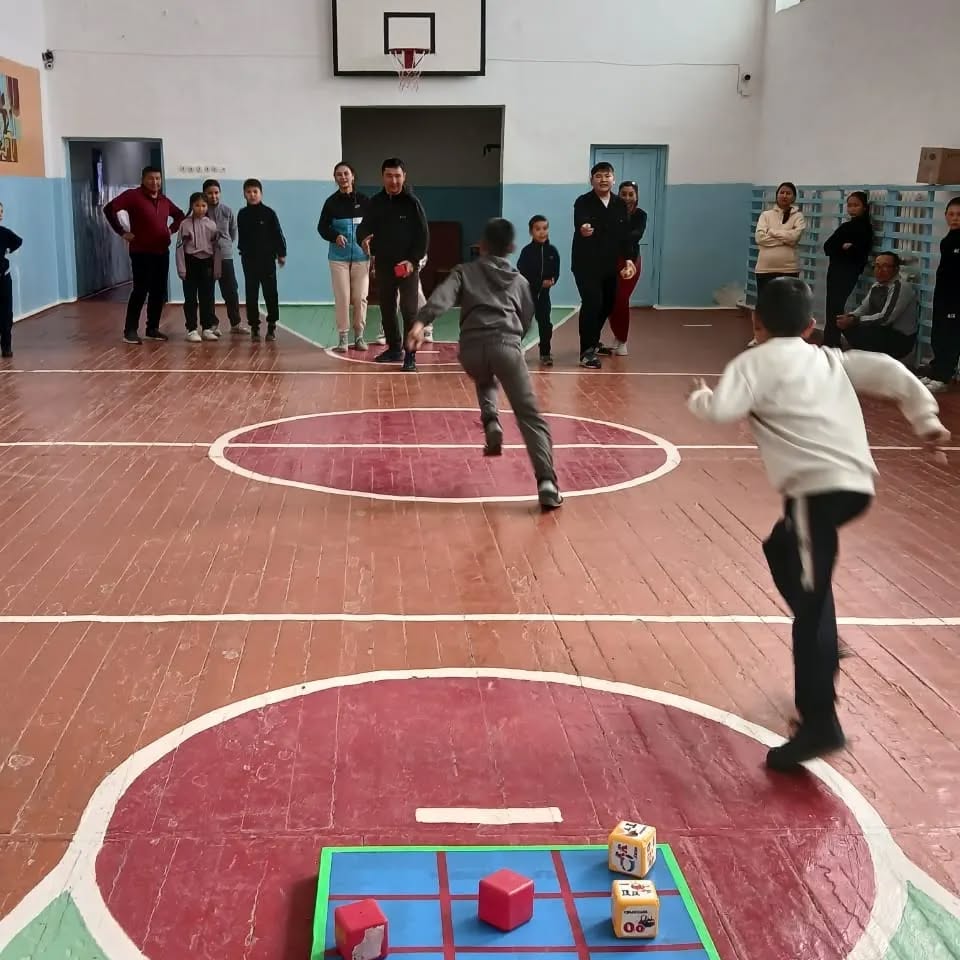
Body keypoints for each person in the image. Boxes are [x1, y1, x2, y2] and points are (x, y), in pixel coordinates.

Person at [687, 277, 949, 771]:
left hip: (814, 492)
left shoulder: (751, 363)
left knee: (811, 608)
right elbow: (892, 372)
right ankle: (824, 644)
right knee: (781, 549)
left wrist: (700, 397)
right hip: (853, 486)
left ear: (756, 321)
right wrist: (926, 419)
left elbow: (721, 410)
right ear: (811, 326)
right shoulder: (829, 358)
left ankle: (820, 722)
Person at [407, 218, 562, 511]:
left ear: (482, 245)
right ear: (511, 247)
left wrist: (420, 322)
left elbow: (442, 297)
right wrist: (513, 341)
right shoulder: (519, 281)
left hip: (472, 350)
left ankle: (491, 419)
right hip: (506, 346)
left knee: (485, 375)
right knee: (530, 416)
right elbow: (527, 318)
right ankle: (547, 483)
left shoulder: (464, 271)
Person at [356, 157, 429, 372]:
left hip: (407, 266)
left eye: (397, 176)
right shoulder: (375, 202)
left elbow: (423, 235)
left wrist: (413, 261)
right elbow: (364, 227)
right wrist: (363, 239)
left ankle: (410, 355)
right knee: (387, 309)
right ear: (383, 177)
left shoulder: (412, 203)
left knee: (409, 310)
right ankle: (394, 348)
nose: (394, 180)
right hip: (384, 265)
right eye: (389, 176)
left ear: (404, 177)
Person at [103, 165, 185, 344]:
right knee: (140, 290)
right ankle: (130, 331)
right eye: (151, 178)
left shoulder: (164, 200)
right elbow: (109, 209)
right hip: (141, 252)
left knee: (158, 292)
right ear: (143, 180)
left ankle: (152, 329)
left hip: (161, 252)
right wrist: (122, 232)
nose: (155, 182)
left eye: (158, 178)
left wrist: (170, 230)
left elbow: (180, 215)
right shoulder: (133, 196)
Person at [571, 162, 636, 369]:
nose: (603, 179)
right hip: (586, 264)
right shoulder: (583, 201)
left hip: (609, 265)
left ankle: (593, 340)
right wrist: (583, 228)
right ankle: (586, 352)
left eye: (607, 176)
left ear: (613, 180)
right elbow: (580, 221)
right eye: (598, 176)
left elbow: (625, 236)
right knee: (592, 303)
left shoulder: (619, 204)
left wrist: (628, 259)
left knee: (608, 303)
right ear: (592, 180)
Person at [317, 161, 370, 353]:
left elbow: (373, 225)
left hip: (362, 258)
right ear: (335, 178)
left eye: (346, 173)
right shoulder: (331, 203)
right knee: (343, 297)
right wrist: (335, 236)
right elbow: (322, 227)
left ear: (352, 176)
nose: (343, 177)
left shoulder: (364, 200)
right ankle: (343, 337)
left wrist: (370, 241)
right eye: (339, 174)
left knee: (360, 297)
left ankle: (359, 336)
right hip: (338, 259)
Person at [836, 252, 917, 359]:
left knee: (860, 329)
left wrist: (855, 320)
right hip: (883, 331)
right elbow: (863, 308)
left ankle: (876, 360)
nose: (880, 270)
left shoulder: (900, 287)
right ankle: (867, 358)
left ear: (896, 269)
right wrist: (850, 316)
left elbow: (885, 318)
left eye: (885, 266)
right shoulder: (876, 286)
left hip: (900, 337)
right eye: (877, 266)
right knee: (845, 324)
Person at [237, 178, 287, 342]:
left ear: (261, 193)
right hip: (249, 261)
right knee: (251, 294)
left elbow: (278, 234)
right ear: (244, 194)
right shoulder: (242, 214)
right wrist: (243, 251)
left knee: (270, 293)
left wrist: (281, 253)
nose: (252, 195)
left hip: (267, 260)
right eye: (249, 192)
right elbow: (242, 237)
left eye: (255, 192)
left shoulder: (269, 213)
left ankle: (271, 326)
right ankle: (254, 327)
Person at [822, 191, 873, 347]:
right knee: (832, 306)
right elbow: (828, 247)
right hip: (835, 270)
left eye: (856, 205)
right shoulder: (845, 227)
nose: (852, 208)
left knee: (836, 306)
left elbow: (859, 252)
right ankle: (830, 341)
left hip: (849, 272)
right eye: (850, 205)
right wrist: (843, 247)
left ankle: (832, 342)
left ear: (864, 207)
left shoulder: (866, 229)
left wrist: (846, 248)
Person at [920, 197, 960, 394]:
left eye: (959, 215)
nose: (955, 218)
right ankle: (936, 370)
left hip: (956, 299)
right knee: (939, 334)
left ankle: (944, 376)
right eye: (951, 214)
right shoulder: (947, 240)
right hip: (943, 295)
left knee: (951, 336)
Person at [604, 180, 647, 357]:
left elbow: (637, 234)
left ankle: (623, 340)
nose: (627, 198)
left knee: (622, 299)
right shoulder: (611, 212)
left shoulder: (640, 215)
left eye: (631, 194)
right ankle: (617, 336)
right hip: (611, 261)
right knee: (610, 300)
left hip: (631, 261)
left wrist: (620, 237)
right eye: (624, 194)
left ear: (636, 196)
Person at [176, 192, 223, 343]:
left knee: (207, 298)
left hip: (207, 264)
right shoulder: (184, 224)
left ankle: (207, 328)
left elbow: (217, 249)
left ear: (207, 207)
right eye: (197, 205)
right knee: (190, 298)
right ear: (191, 206)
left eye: (203, 205)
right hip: (190, 263)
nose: (201, 208)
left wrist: (217, 268)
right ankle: (191, 329)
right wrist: (181, 268)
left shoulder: (212, 225)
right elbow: (179, 248)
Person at [202, 178, 247, 334]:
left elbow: (233, 233)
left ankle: (235, 324)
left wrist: (224, 245)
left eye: (216, 192)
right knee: (207, 291)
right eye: (210, 193)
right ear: (204, 194)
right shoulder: (201, 211)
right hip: (206, 257)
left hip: (225, 256)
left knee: (231, 290)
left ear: (220, 193)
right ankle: (211, 324)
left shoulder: (227, 210)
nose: (213, 196)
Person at [516, 215, 561, 366]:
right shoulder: (527, 252)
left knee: (545, 324)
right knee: (522, 324)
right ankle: (513, 351)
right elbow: (522, 271)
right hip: (527, 296)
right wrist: (539, 283)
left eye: (545, 228)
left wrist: (552, 280)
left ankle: (545, 353)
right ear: (531, 232)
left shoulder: (552, 251)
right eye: (538, 229)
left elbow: (556, 271)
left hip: (544, 297)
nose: (542, 232)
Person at [0, 200, 22, 359]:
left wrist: (8, 250)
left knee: (6, 313)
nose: (0, 214)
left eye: (1, 211)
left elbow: (18, 241)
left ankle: (6, 347)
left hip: (3, 279)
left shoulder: (4, 233)